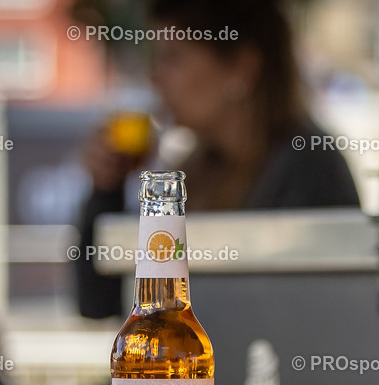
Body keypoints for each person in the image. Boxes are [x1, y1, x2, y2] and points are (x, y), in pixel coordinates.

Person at [75, 0, 361, 319]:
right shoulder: (198, 171)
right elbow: (100, 302)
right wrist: (107, 187)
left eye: (173, 58)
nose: (155, 79)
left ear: (242, 66)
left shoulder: (306, 166)